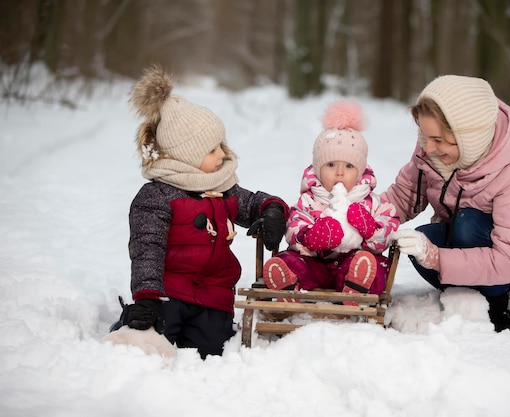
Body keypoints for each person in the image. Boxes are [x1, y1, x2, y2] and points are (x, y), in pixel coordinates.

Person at [110, 65, 289, 358]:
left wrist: (272, 209)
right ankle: (130, 324)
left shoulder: (223, 187)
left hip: (213, 299)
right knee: (150, 345)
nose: (223, 154)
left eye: (221, 145)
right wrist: (147, 297)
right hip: (168, 296)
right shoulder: (157, 197)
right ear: (185, 156)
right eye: (211, 150)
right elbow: (147, 249)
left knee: (212, 350)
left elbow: (252, 202)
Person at [384, 75, 510, 334]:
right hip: (473, 238)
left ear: (467, 136)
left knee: (467, 224)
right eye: (424, 137)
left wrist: (437, 258)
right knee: (422, 240)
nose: (428, 147)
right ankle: (465, 304)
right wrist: (362, 216)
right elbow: (405, 194)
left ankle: (497, 310)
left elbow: (508, 260)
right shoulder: (433, 144)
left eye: (437, 139)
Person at [262, 101, 400, 304]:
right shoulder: (309, 200)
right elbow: (293, 227)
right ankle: (288, 285)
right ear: (318, 169)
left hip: (352, 263)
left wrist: (371, 230)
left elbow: (391, 225)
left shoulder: (371, 202)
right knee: (291, 260)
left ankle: (357, 287)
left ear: (360, 170)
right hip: (316, 264)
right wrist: (310, 238)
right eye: (331, 164)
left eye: (349, 165)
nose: (339, 172)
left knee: (375, 265)